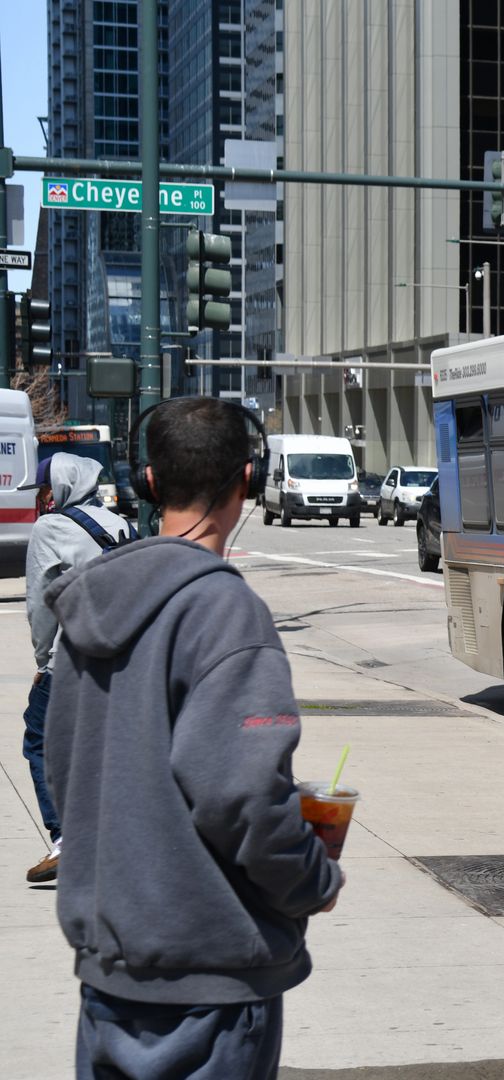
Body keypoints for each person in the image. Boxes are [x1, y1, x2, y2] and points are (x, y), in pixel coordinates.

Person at [43, 398, 342, 1078]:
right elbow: (241, 794)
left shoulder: (89, 603)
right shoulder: (225, 610)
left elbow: (65, 770)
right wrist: (311, 880)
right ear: (247, 480)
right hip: (210, 979)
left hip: (112, 976)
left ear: (147, 482)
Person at [19, 453, 133, 883]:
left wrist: (42, 661)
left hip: (73, 657)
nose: (43, 498)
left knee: (39, 740)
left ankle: (68, 838)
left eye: (46, 489)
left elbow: (41, 603)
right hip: (121, 655)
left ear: (63, 485)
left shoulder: (50, 527)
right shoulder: (118, 523)